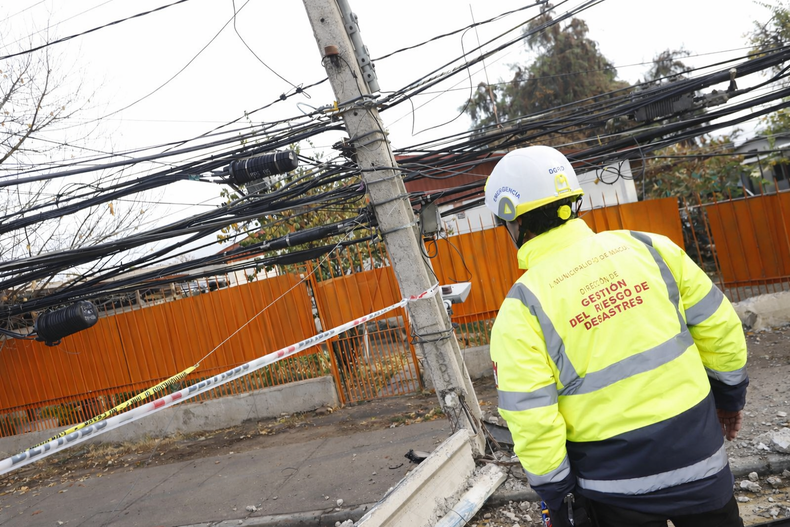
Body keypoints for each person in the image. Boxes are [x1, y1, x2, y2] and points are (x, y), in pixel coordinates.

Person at [485, 146, 748, 527]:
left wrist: (556, 494)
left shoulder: (521, 307)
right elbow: (720, 328)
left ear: (512, 220)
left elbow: (531, 416)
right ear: (572, 201)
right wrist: (729, 399)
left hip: (613, 490)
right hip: (699, 462)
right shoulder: (650, 247)